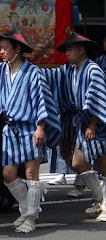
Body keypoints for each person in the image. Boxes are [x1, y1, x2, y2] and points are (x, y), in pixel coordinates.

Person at [0, 29, 61, 234]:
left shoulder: (33, 73)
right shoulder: (0, 70)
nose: (1, 52)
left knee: (30, 173)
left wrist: (40, 127)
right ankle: (26, 207)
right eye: (0, 48)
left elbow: (43, 100)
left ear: (17, 49)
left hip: (30, 127)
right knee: (8, 174)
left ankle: (31, 217)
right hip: (10, 130)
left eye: (4, 48)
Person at [46, 32, 106, 221]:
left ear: (81, 50)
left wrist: (93, 124)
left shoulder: (93, 70)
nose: (67, 53)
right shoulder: (69, 70)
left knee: (104, 167)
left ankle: (104, 204)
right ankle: (99, 197)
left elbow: (98, 96)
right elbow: (51, 76)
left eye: (70, 49)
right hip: (81, 122)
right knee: (77, 163)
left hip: (97, 122)